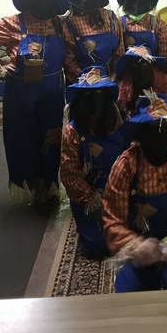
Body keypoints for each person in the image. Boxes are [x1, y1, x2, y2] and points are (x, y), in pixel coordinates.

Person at [0, 0, 69, 213]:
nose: (42, 3)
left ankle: (50, 186)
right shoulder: (13, 23)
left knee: (52, 137)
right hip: (21, 94)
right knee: (24, 139)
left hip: (52, 93)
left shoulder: (59, 24)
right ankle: (36, 189)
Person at [102, 95, 167, 293]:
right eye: (152, 129)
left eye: (165, 128)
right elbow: (112, 218)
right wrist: (134, 245)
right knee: (130, 295)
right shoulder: (126, 165)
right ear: (142, 133)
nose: (159, 135)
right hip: (139, 242)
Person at [60, 66, 128, 258]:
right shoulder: (72, 132)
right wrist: (93, 200)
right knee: (98, 247)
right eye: (88, 94)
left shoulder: (122, 121)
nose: (94, 99)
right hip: (90, 195)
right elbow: (70, 173)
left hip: (122, 190)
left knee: (131, 237)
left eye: (99, 93)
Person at [59, 0, 125, 83]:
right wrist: (84, 79)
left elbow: (119, 49)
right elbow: (67, 58)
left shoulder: (109, 16)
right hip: (80, 83)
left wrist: (114, 76)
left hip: (109, 79)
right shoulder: (66, 22)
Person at [116, 0, 167, 73]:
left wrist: (158, 75)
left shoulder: (158, 24)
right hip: (126, 72)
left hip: (151, 72)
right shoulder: (119, 23)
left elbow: (165, 56)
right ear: (126, 0)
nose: (137, 2)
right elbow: (117, 55)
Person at [115, 45, 167, 117]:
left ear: (152, 67)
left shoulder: (164, 86)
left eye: (145, 64)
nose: (141, 70)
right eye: (135, 65)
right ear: (128, 71)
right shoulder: (122, 92)